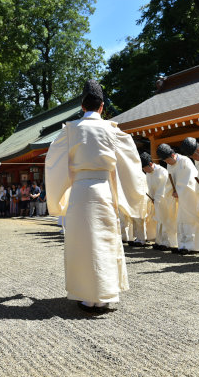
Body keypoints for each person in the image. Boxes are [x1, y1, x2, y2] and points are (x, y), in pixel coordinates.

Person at [46, 79, 146, 313]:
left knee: (82, 243)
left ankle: (86, 294)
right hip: (103, 190)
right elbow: (131, 163)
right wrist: (128, 193)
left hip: (80, 191)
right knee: (104, 241)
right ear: (102, 107)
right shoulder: (112, 130)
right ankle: (104, 294)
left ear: (82, 106)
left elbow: (53, 162)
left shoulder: (70, 130)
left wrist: (61, 192)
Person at [157, 143, 199, 255]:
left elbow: (190, 180)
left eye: (168, 160)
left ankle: (195, 246)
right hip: (180, 199)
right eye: (165, 161)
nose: (167, 163)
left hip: (190, 196)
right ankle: (183, 245)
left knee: (191, 220)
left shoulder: (185, 161)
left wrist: (179, 191)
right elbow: (169, 182)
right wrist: (171, 192)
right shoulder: (170, 165)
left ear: (173, 155)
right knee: (181, 220)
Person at [140, 152, 175, 249]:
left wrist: (157, 198)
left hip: (163, 199)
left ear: (151, 164)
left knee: (165, 220)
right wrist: (151, 197)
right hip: (155, 200)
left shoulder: (162, 171)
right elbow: (150, 187)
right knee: (158, 220)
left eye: (145, 168)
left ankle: (167, 242)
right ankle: (159, 241)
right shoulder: (148, 173)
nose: (145, 170)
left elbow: (164, 187)